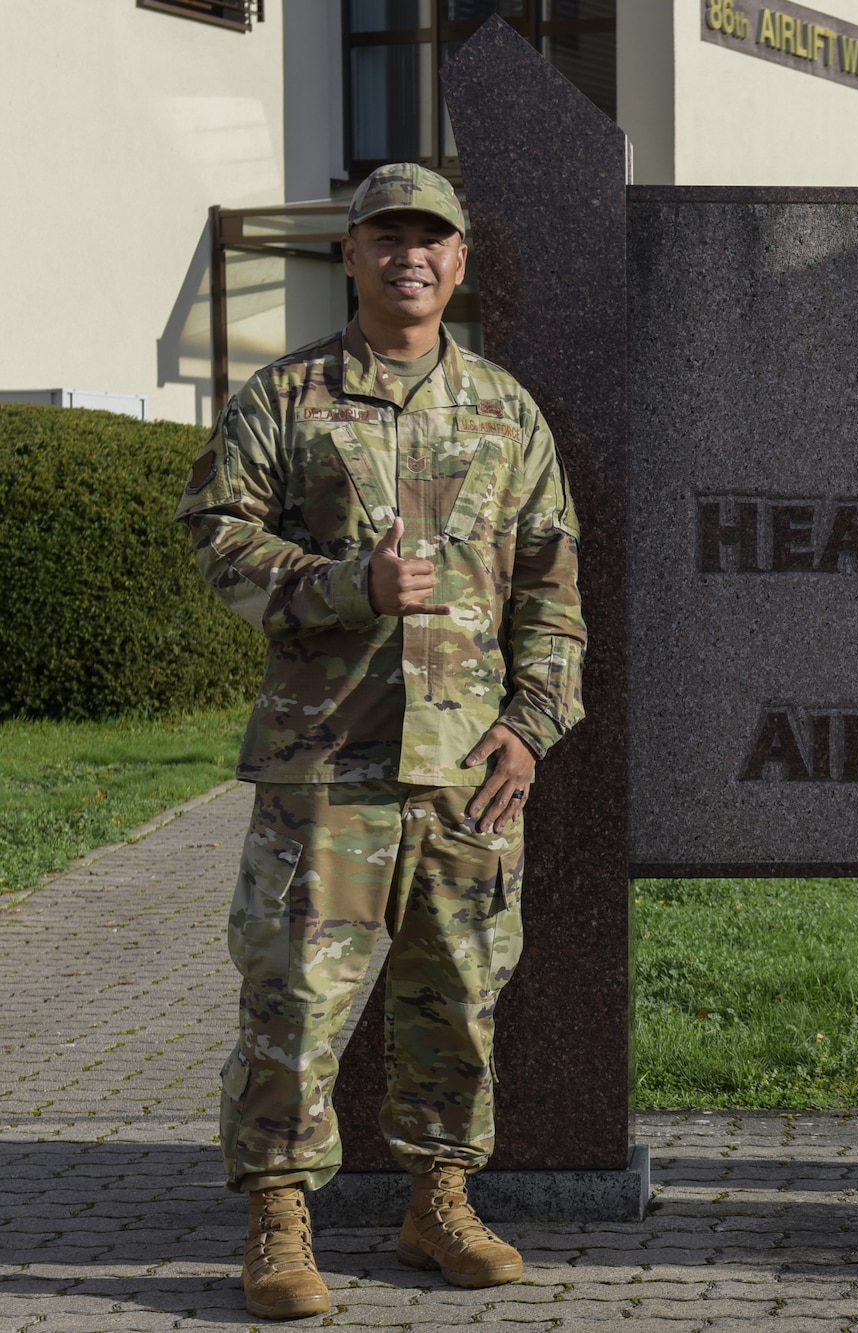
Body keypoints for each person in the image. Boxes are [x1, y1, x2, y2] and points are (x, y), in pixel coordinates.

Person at [178, 162, 586, 1320]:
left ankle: (438, 1202)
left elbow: (552, 588)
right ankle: (277, 1217)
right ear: (348, 256)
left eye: (432, 238)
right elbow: (217, 537)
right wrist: (343, 584)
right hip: (327, 769)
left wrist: (532, 728)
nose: (410, 254)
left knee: (457, 994)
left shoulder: (507, 412)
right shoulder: (287, 397)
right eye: (386, 236)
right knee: (295, 999)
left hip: (467, 770)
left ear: (458, 264)